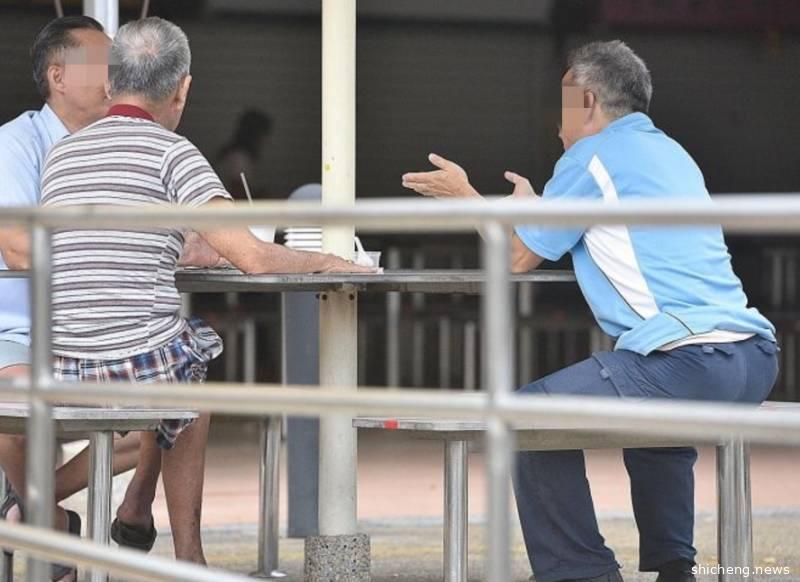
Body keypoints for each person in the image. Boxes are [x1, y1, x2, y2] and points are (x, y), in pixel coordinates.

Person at [402, 40, 778, 582]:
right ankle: (675, 568)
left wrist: (465, 198)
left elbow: (516, 257)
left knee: (528, 416)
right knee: (654, 425)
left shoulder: (589, 156)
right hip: (752, 359)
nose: (557, 126)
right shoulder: (670, 152)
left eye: (562, 106)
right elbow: (609, 222)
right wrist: (538, 209)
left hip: (691, 361)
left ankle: (581, 572)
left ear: (586, 102)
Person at [40, 16, 371, 567]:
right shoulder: (174, 154)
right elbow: (254, 258)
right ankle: (188, 555)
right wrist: (328, 260)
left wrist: (187, 245)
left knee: (176, 363)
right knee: (189, 375)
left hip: (60, 366)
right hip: (128, 368)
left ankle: (136, 506)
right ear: (183, 87)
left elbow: (109, 243)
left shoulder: (63, 154)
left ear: (110, 82)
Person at [216, 109, 273, 200]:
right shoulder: (239, 158)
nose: (266, 140)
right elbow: (238, 193)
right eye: (264, 135)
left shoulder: (239, 156)